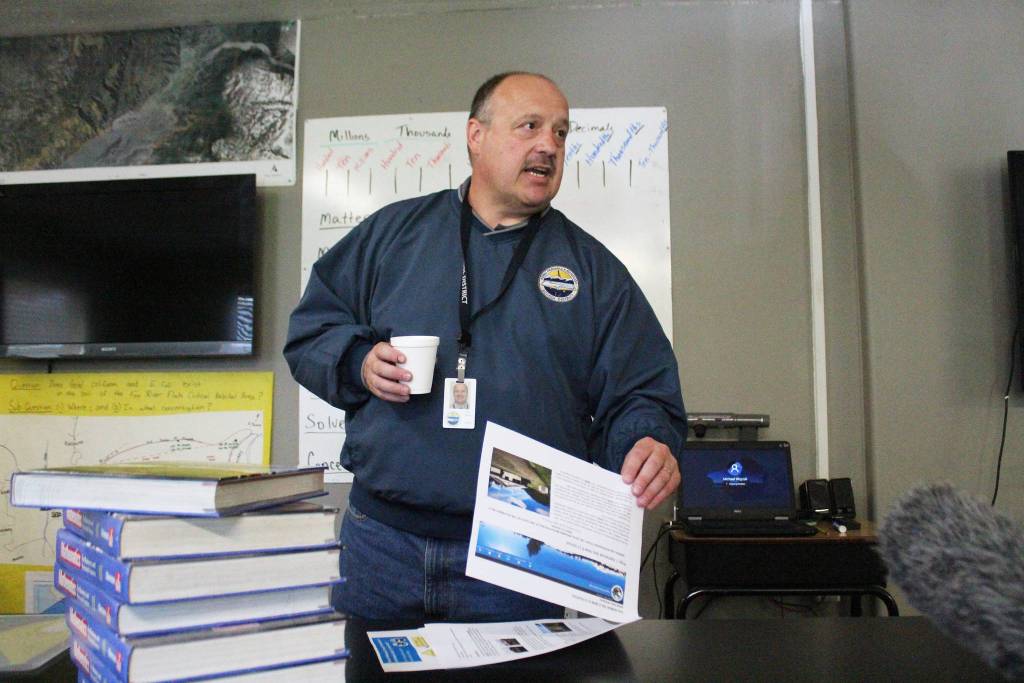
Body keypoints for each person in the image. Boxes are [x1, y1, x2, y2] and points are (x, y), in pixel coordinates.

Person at [284, 71, 686, 623]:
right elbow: (311, 332)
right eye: (530, 126)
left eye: (561, 133)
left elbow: (642, 391)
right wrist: (358, 362)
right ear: (476, 135)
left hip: (521, 555)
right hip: (382, 545)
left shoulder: (593, 271)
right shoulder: (392, 235)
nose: (549, 145)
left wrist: (648, 443)